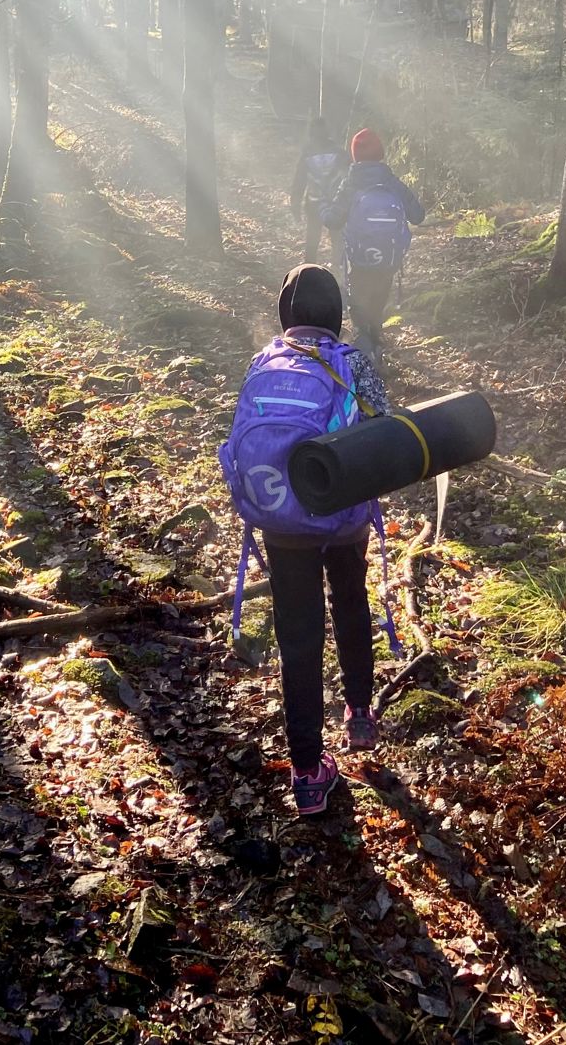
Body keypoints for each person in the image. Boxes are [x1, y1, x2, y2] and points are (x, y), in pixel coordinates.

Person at [220, 264, 391, 816]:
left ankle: (308, 773)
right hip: (341, 512)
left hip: (279, 517)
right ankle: (360, 713)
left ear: (286, 314)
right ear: (335, 313)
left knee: (297, 635)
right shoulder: (352, 362)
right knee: (350, 601)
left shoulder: (263, 362)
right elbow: (383, 430)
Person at [329, 128, 424, 358]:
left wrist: (323, 207)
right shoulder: (391, 182)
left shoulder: (350, 183)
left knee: (358, 297)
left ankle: (365, 341)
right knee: (379, 295)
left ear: (355, 155)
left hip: (358, 256)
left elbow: (332, 219)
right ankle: (375, 335)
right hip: (388, 257)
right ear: (380, 153)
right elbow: (418, 215)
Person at [288, 116, 347, 265]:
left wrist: (295, 204)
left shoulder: (307, 155)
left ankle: (309, 268)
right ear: (327, 132)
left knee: (312, 240)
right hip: (336, 203)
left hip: (314, 204)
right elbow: (349, 177)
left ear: (311, 134)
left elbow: (299, 181)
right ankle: (339, 270)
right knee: (337, 239)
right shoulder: (339, 153)